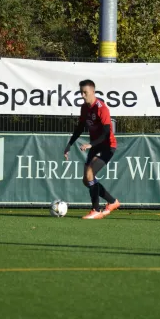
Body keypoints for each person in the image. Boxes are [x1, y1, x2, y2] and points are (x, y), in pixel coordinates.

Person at [64, 79, 120, 219]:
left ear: (93, 92)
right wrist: (69, 144)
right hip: (96, 145)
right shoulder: (84, 107)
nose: (83, 95)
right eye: (81, 92)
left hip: (107, 145)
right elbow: (80, 127)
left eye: (85, 92)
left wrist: (91, 144)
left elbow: (107, 132)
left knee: (90, 174)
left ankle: (96, 210)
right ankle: (113, 202)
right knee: (86, 180)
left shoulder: (101, 108)